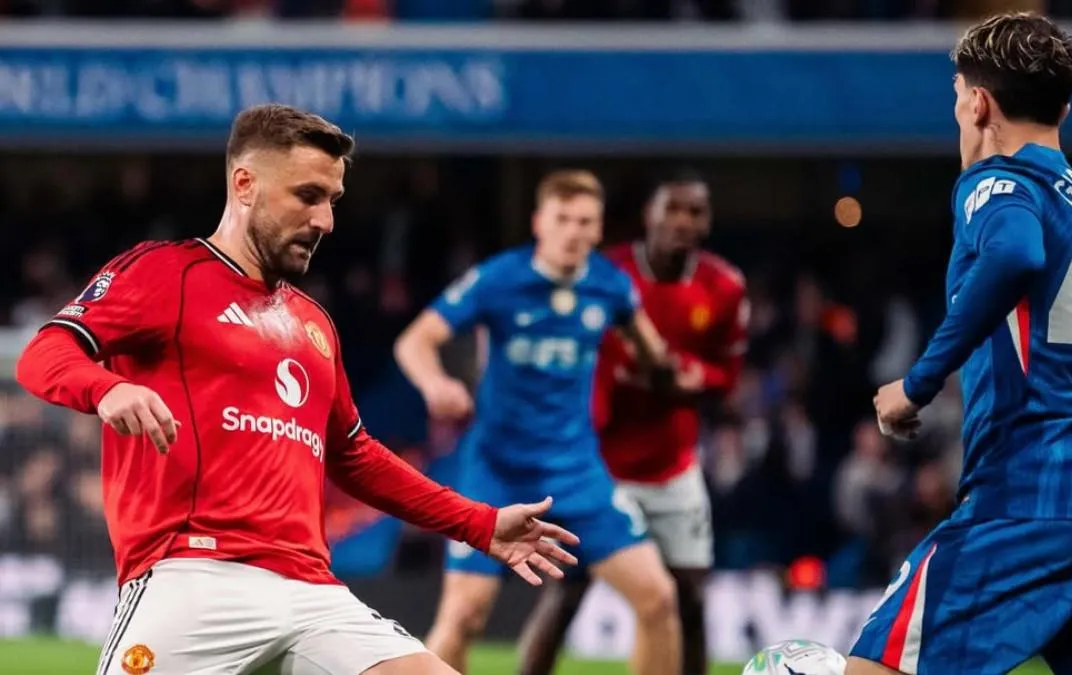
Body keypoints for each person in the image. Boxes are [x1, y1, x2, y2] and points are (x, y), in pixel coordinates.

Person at [14, 104, 579, 675]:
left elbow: (354, 455)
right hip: (194, 576)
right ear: (245, 185)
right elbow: (46, 353)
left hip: (310, 590)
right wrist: (106, 388)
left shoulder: (313, 323)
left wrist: (479, 523)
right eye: (308, 196)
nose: (325, 221)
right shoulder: (165, 274)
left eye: (332, 200)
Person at [850, 13, 1072, 675]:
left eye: (958, 96)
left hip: (1030, 497)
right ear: (1063, 108)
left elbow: (1015, 252)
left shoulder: (997, 182)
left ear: (979, 104)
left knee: (873, 666)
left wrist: (915, 386)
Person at [394, 170, 683, 675]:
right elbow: (414, 341)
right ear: (538, 223)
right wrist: (435, 384)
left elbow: (653, 352)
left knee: (658, 599)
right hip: (496, 475)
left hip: (578, 473)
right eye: (562, 218)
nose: (573, 231)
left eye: (584, 221)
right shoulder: (498, 279)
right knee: (463, 615)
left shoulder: (610, 286)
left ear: (598, 230)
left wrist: (662, 367)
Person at [517, 169, 747, 675]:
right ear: (650, 215)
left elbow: (728, 378)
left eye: (695, 211)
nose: (683, 221)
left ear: (707, 221)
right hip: (599, 466)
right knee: (567, 593)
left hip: (672, 468)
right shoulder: (604, 276)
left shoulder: (725, 288)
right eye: (673, 209)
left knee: (691, 599)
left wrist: (692, 378)